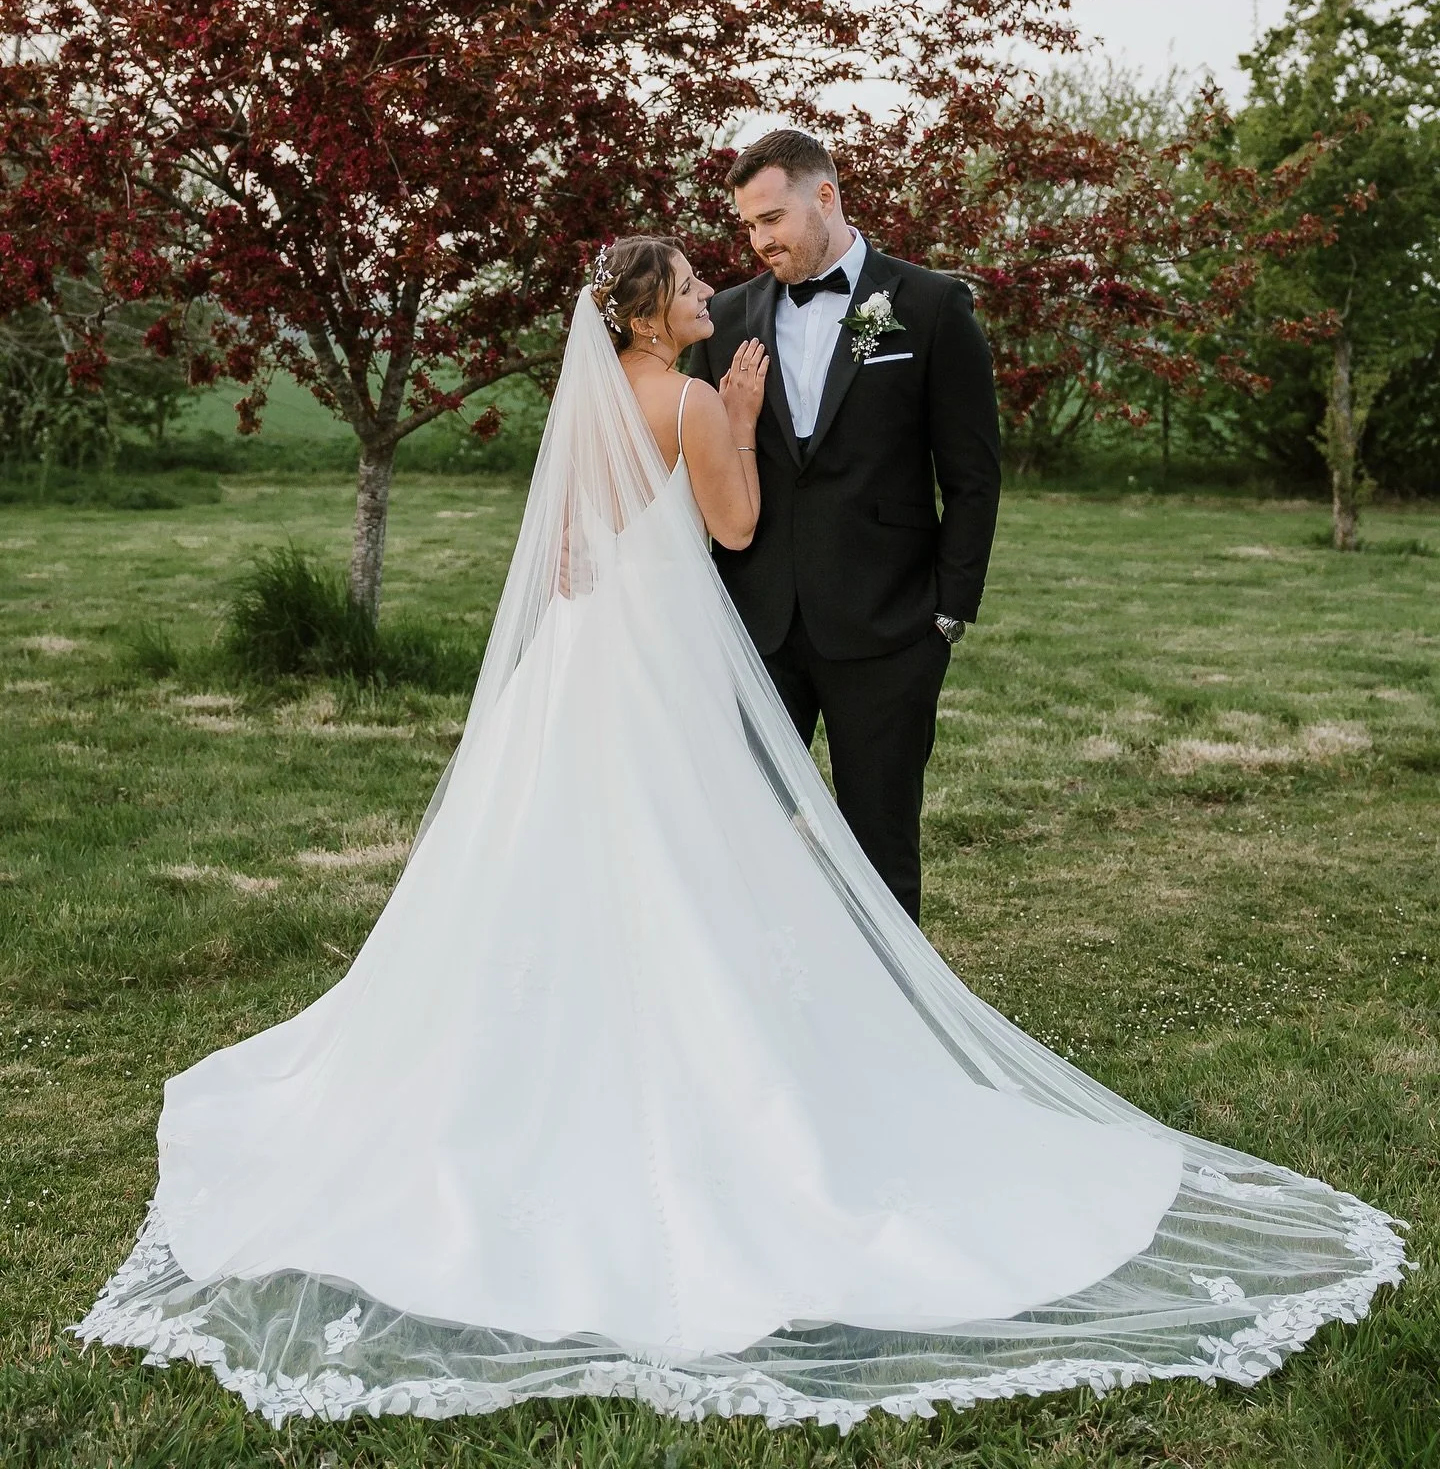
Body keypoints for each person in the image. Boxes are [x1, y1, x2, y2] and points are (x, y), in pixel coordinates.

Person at [77, 236, 1405, 1432]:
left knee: (556, 866)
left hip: (583, 661)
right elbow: (735, 524)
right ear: (654, 316)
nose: (716, 291)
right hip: (659, 669)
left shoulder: (592, 409)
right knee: (692, 863)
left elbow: (567, 559)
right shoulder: (698, 393)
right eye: (693, 287)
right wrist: (748, 416)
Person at [689, 128, 1002, 921]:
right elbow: (704, 471)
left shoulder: (927, 306)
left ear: (824, 196)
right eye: (748, 227)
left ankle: (893, 1029)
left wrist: (948, 614)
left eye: (771, 219)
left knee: (880, 850)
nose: (759, 241)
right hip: (758, 630)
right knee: (738, 840)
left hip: (890, 632)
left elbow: (971, 475)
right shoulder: (726, 317)